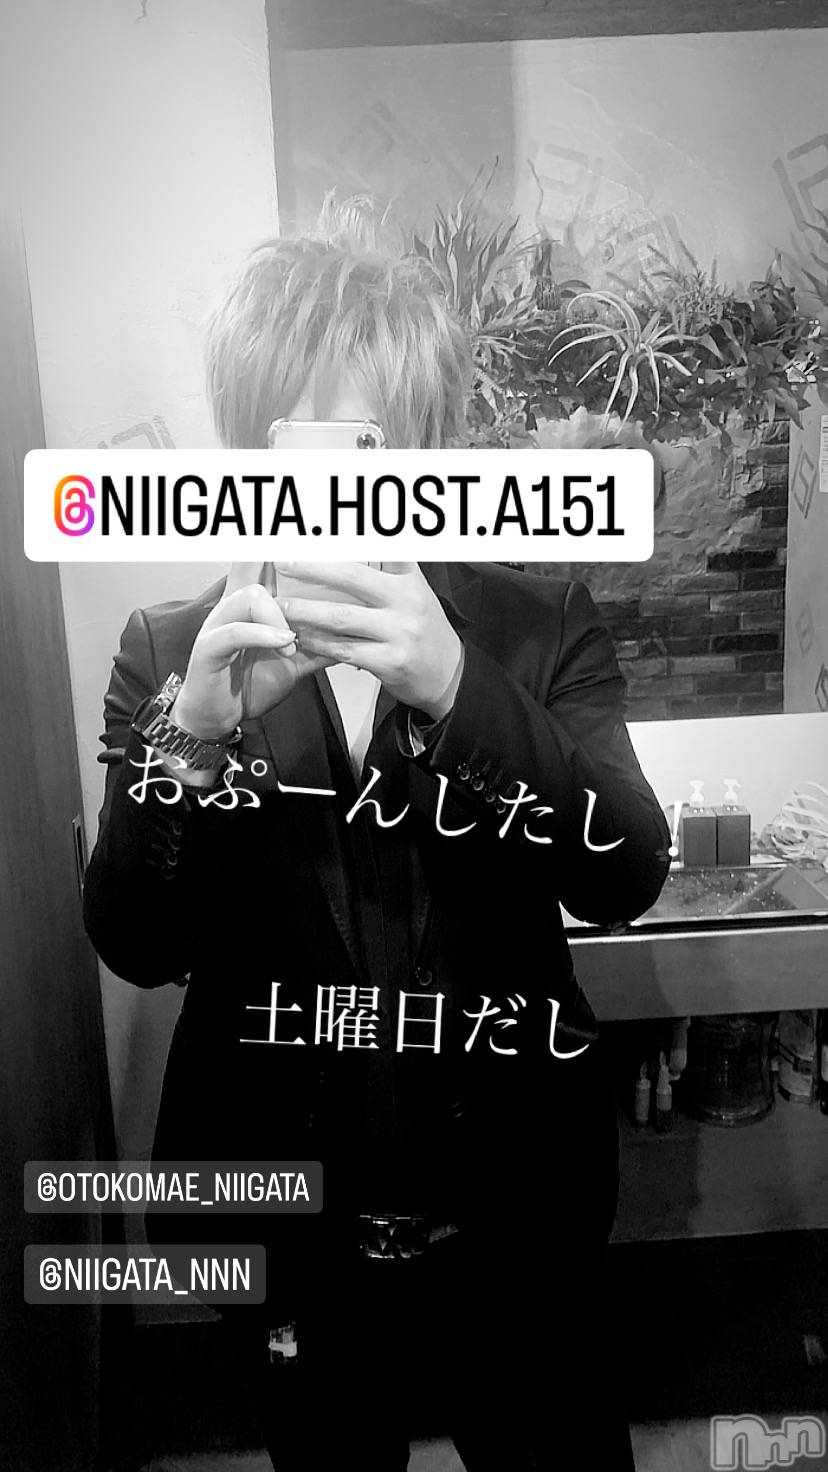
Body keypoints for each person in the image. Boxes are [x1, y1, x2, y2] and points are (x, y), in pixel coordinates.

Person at [83, 205, 671, 1470]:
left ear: (427, 449)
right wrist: (193, 734)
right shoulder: (168, 649)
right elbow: (135, 938)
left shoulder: (536, 625)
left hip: (518, 1213)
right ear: (243, 455)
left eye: (374, 449)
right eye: (296, 451)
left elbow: (625, 871)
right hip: (296, 1231)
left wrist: (460, 689)